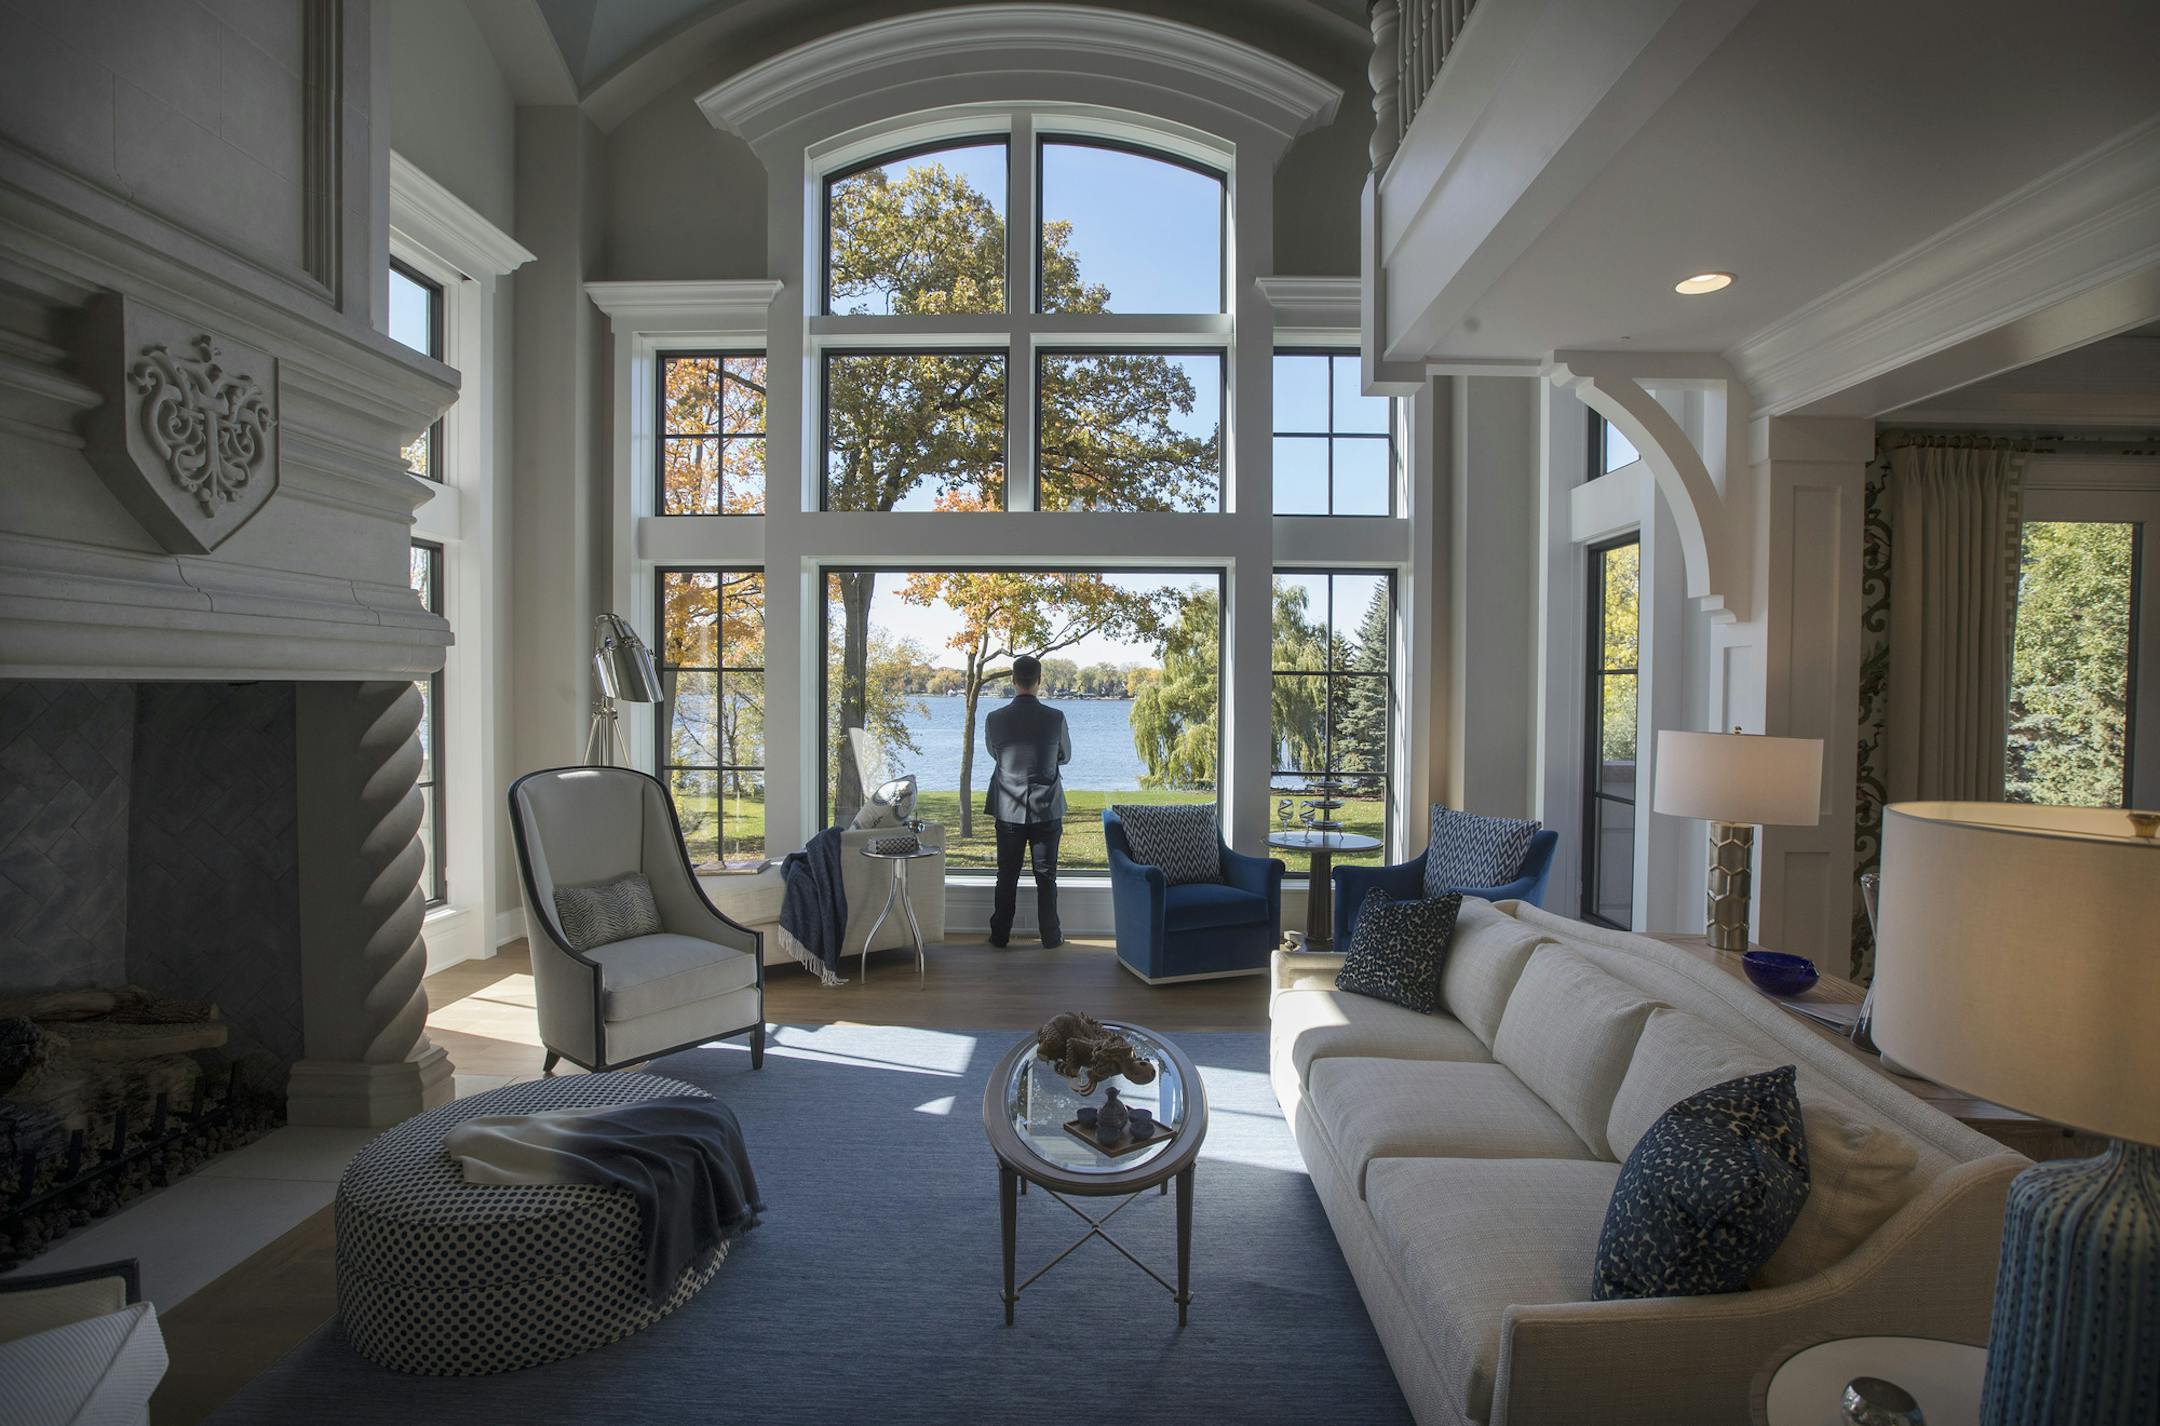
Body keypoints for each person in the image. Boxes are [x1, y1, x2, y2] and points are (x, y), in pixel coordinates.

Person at [983, 654, 1070, 948]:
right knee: (1046, 876)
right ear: (1039, 680)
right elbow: (1066, 756)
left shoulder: (994, 719)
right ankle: (1051, 936)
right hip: (1047, 808)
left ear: (1013, 680)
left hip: (1009, 808)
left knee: (1006, 875)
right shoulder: (1055, 717)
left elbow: (996, 753)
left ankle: (999, 936)